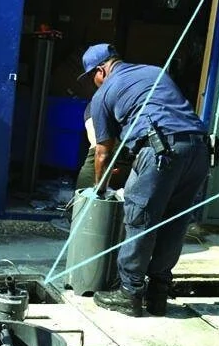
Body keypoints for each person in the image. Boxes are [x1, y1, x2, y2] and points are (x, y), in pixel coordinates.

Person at [78, 44, 211, 317]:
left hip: (162, 150)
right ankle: (158, 294)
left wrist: (100, 189)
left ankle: (129, 293)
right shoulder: (154, 72)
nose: (93, 82)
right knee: (175, 222)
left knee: (140, 219)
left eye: (92, 75)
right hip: (199, 150)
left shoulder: (103, 95)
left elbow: (103, 152)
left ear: (102, 70)